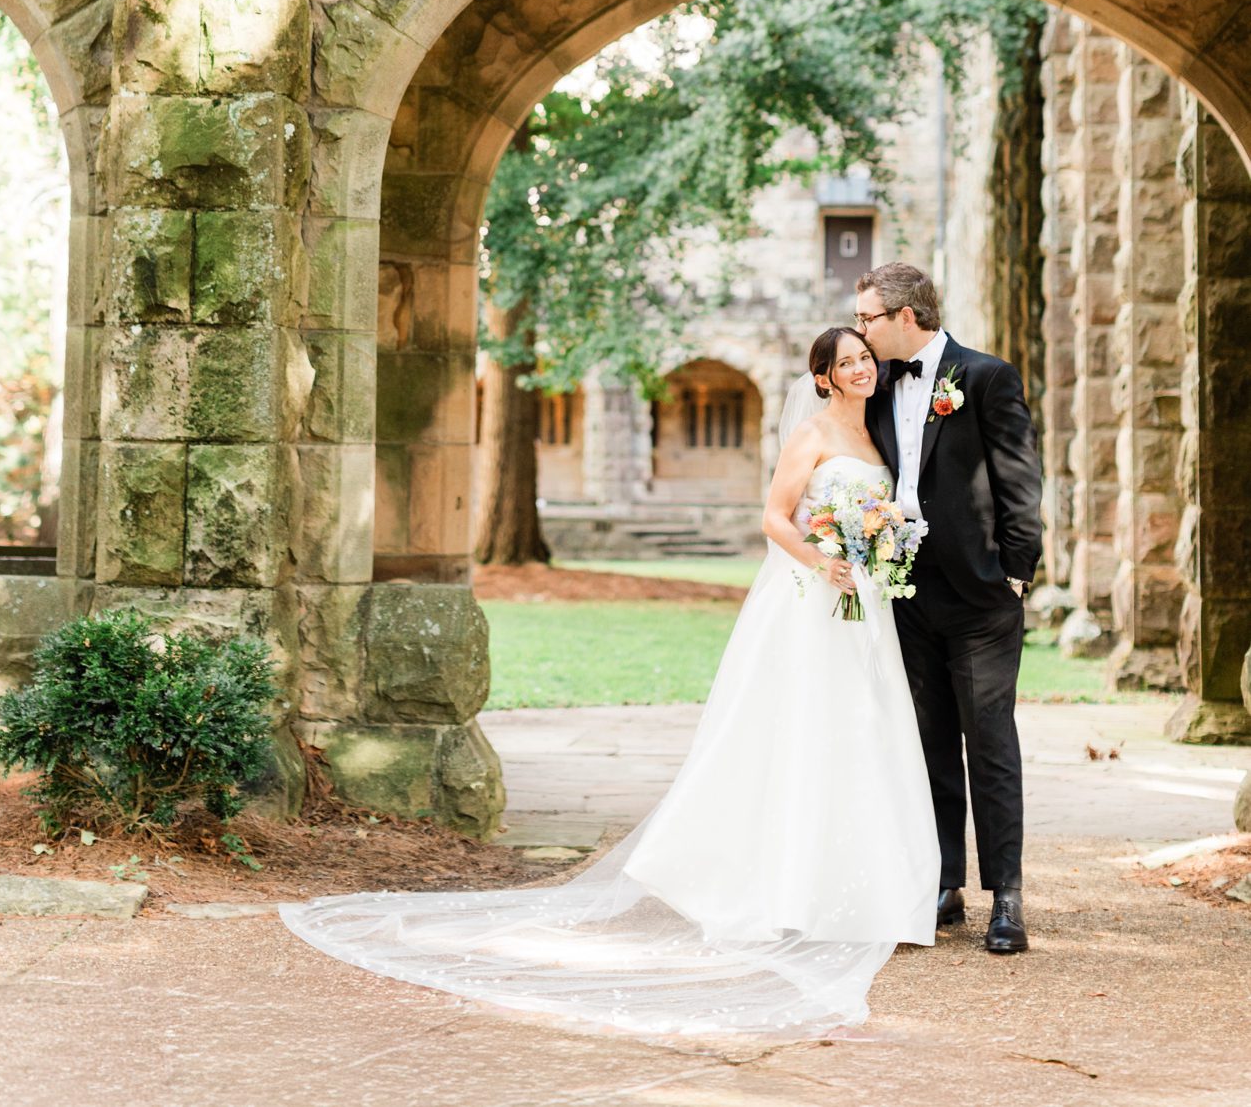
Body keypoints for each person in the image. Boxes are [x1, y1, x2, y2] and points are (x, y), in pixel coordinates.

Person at [279, 326, 940, 1041]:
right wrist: (825, 559)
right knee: (805, 735)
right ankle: (783, 889)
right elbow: (774, 519)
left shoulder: (878, 436)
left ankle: (866, 892)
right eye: (846, 362)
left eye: (864, 358)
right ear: (822, 377)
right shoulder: (810, 435)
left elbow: (879, 513)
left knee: (863, 736)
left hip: (863, 608)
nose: (861, 368)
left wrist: (878, 542)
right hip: (816, 600)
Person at [855, 262, 1043, 956]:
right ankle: (945, 882)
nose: (862, 329)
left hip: (982, 594)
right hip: (905, 592)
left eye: (869, 317)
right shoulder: (876, 385)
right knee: (927, 744)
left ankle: (1008, 898)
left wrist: (1017, 573)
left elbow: (1021, 479)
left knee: (989, 743)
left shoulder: (986, 377)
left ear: (908, 316)